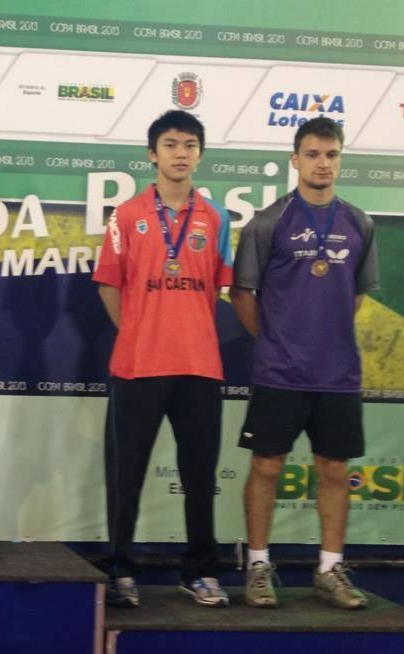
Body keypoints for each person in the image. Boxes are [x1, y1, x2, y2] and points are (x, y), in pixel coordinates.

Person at [231, 116, 378, 610]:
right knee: (267, 467)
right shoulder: (268, 222)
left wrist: (322, 340)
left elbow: (354, 296)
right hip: (279, 372)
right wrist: (278, 342)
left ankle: (329, 569)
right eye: (313, 154)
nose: (323, 163)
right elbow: (243, 295)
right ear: (295, 160)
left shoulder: (360, 223)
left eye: (331, 154)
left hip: (338, 375)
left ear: (340, 160)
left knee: (334, 470)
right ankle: (257, 565)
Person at [94, 110, 233, 607]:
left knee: (199, 476)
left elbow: (223, 286)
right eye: (170, 144)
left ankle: (198, 570)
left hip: (199, 366)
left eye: (190, 144)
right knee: (125, 475)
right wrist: (138, 329)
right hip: (138, 364)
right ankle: (120, 571)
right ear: (152, 153)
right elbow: (110, 285)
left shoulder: (215, 219)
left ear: (199, 154)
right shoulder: (126, 216)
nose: (180, 153)